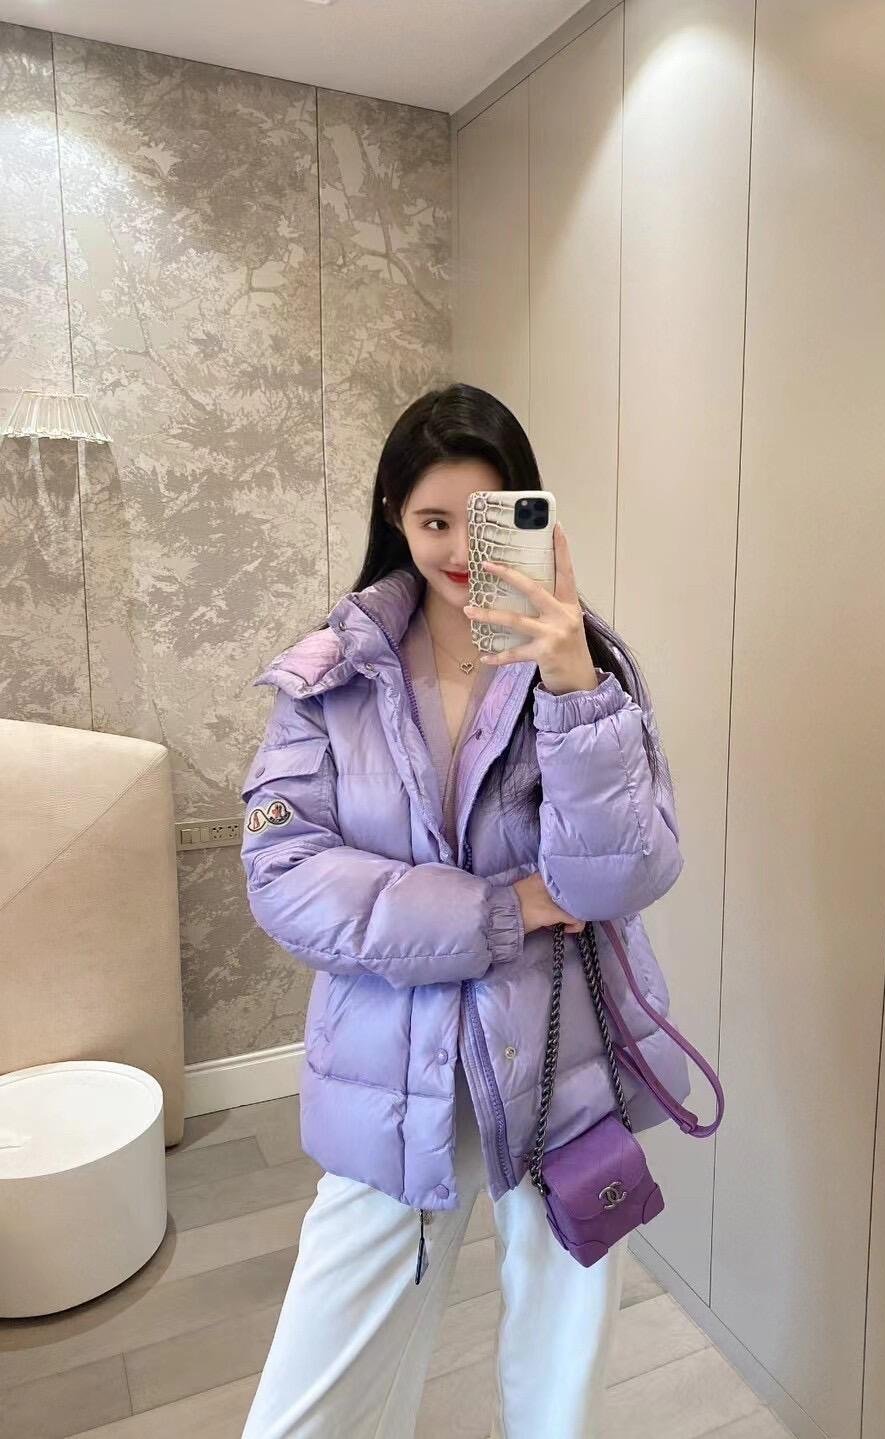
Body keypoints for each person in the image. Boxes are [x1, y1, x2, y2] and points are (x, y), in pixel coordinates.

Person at [238, 383, 692, 1438]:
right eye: (432, 519)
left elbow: (624, 875)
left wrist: (570, 677)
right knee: (312, 1399)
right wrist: (501, 908)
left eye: (479, 520)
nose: (453, 548)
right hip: (394, 1069)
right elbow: (285, 873)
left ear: (525, 515)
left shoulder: (590, 671)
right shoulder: (330, 678)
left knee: (560, 1388)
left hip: (563, 1064)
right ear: (393, 513)